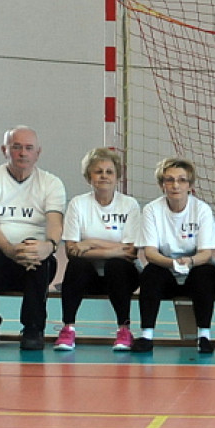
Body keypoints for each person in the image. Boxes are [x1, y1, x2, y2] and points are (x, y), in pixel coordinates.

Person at [0, 126, 66, 350]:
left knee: (39, 253)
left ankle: (33, 329)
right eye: (16, 147)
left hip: (33, 263)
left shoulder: (52, 183)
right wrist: (12, 251)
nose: (23, 153)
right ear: (5, 150)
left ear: (37, 153)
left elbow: (54, 224)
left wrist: (48, 246)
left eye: (28, 148)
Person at [55, 148, 141, 352]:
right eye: (98, 171)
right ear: (89, 177)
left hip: (123, 276)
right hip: (89, 278)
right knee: (77, 265)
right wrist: (115, 248)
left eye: (109, 172)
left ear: (117, 176)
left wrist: (92, 242)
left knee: (116, 265)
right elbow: (71, 251)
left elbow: (131, 252)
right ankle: (68, 328)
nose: (104, 176)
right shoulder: (78, 204)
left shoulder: (129, 205)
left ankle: (124, 330)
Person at [130, 158, 215, 354]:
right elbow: (150, 252)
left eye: (181, 180)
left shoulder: (202, 210)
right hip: (166, 268)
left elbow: (206, 253)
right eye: (169, 180)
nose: (175, 185)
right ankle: (146, 335)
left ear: (190, 185)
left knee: (206, 274)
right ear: (162, 184)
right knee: (150, 274)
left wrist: (189, 261)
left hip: (195, 267)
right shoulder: (152, 210)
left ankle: (204, 335)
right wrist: (172, 263)